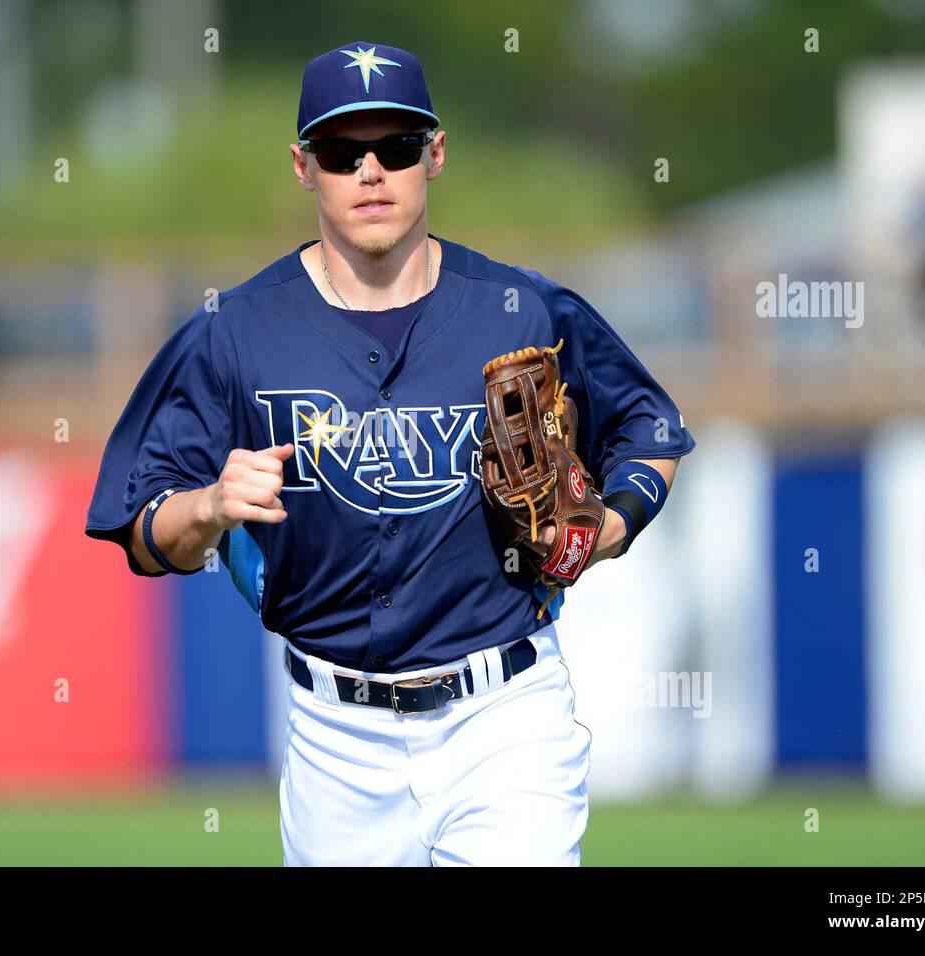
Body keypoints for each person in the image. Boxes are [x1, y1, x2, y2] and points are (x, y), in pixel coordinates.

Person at [86, 41, 694, 866]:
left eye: (396, 146)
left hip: (505, 716)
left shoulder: (520, 308)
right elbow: (139, 529)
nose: (371, 171)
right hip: (334, 738)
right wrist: (208, 508)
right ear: (304, 167)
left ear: (435, 154)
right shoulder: (232, 334)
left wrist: (607, 529)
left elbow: (651, 432)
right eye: (343, 152)